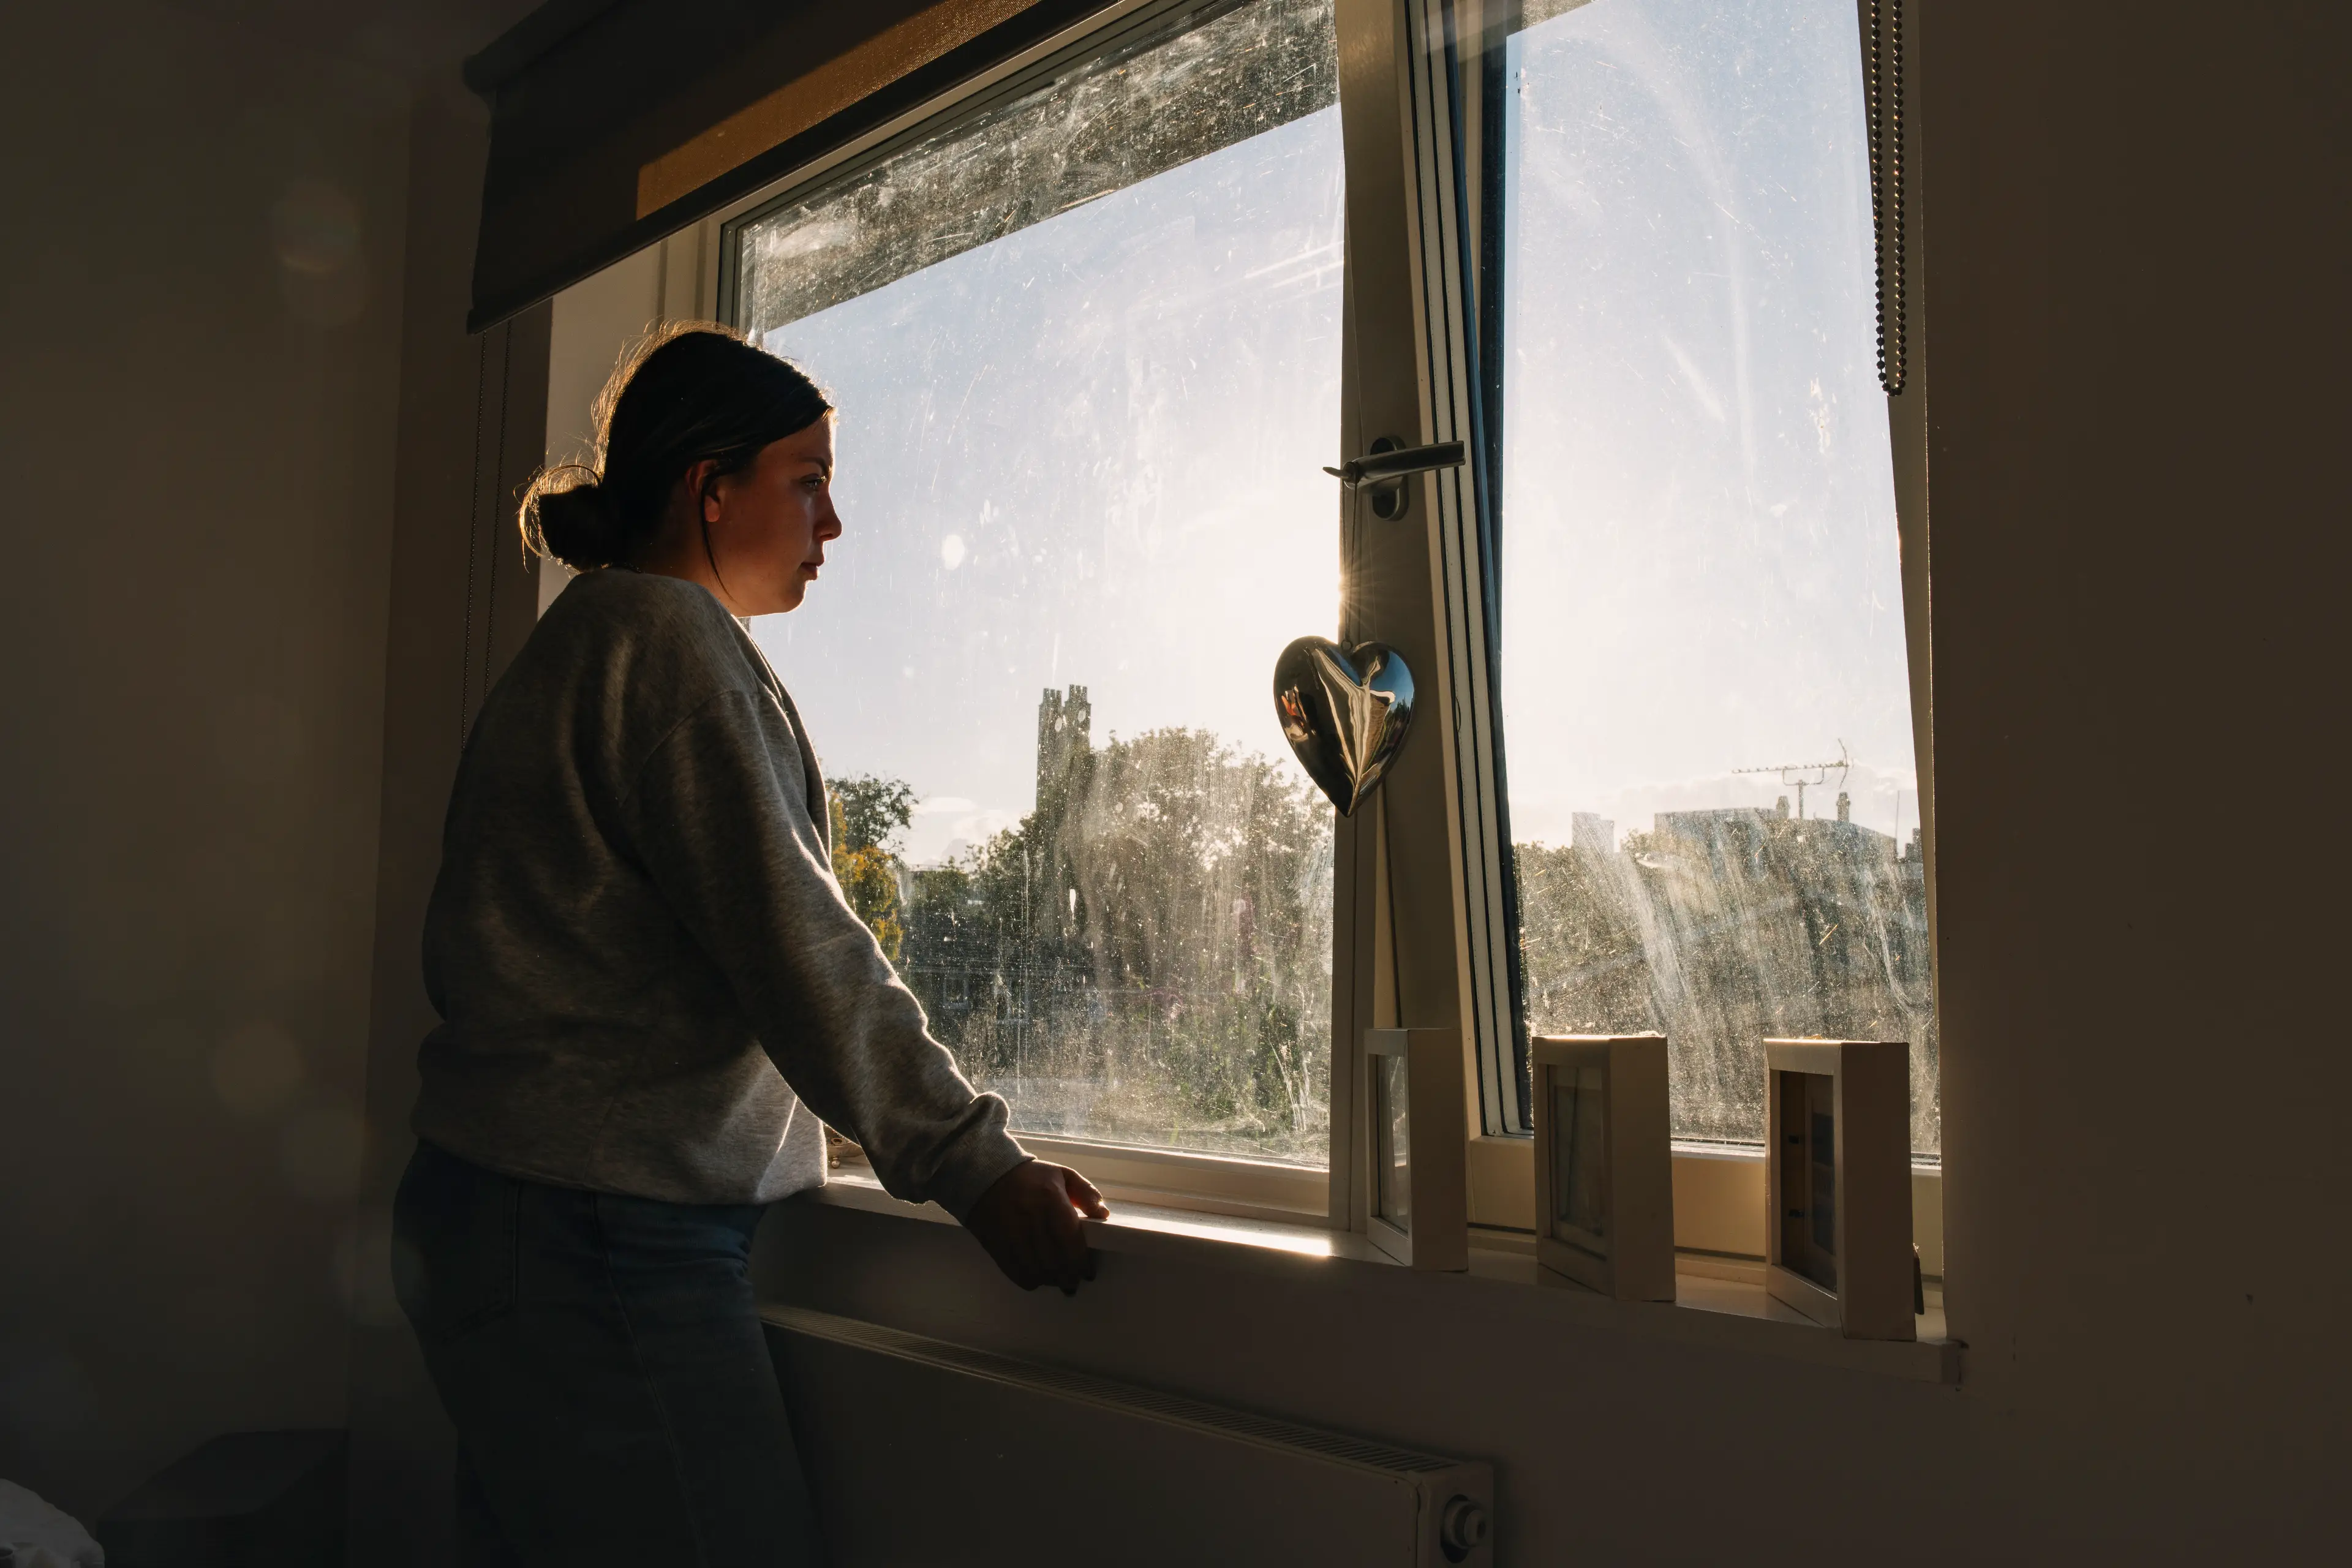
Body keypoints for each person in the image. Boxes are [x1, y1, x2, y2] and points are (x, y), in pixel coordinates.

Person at [391, 323, 1107, 1566]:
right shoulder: (664, 643)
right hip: (591, 1232)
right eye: (809, 479)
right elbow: (795, 939)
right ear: (708, 487)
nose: (832, 524)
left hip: (519, 1216)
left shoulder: (593, 643)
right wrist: (974, 1163)